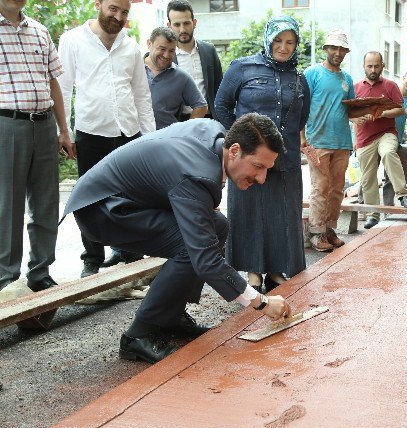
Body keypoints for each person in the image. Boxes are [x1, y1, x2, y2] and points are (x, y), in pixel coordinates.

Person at [61, 114, 292, 364]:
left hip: (129, 201)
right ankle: (139, 335)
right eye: (258, 166)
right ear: (234, 150)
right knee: (191, 246)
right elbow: (205, 259)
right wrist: (262, 302)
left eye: (267, 170)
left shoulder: (216, 137)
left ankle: (170, 316)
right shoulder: (197, 173)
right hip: (102, 210)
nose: (261, 179)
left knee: (218, 226)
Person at [58, 0, 156, 277]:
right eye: (113, 8)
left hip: (128, 132)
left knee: (131, 197)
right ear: (98, 4)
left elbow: (141, 95)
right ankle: (92, 258)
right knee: (88, 198)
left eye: (124, 12)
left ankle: (131, 254)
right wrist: (63, 132)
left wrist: (150, 138)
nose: (118, 16)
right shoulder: (72, 40)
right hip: (91, 132)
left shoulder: (132, 46)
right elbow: (63, 88)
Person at [215, 16, 310, 294]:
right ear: (268, 40)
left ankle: (277, 271)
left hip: (287, 158)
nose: (283, 47)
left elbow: (301, 117)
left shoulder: (299, 78)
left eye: (290, 42)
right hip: (249, 159)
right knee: (250, 212)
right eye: (278, 41)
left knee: (284, 214)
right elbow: (221, 105)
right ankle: (254, 272)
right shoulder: (242, 68)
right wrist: (240, 142)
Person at [0, 0, 75, 292]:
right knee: (9, 204)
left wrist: (64, 130)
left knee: (46, 202)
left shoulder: (40, 31)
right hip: (7, 125)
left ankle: (40, 271)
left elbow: (53, 82)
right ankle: (6, 276)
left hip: (44, 124)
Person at [300, 29, 354, 252]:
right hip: (317, 141)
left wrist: (368, 112)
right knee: (320, 188)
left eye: (342, 49)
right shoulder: (312, 73)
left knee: (337, 189)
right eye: (334, 47)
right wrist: (302, 139)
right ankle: (316, 232)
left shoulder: (347, 79)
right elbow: (301, 107)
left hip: (342, 142)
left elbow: (351, 110)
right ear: (326, 49)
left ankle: (330, 229)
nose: (338, 52)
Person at [350, 51, 407, 230]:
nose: (373, 69)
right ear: (364, 66)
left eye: (376, 66)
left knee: (388, 153)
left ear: (382, 66)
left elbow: (400, 110)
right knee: (368, 177)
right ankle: (372, 214)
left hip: (386, 133)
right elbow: (349, 113)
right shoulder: (355, 87)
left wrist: (382, 113)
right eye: (369, 66)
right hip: (364, 139)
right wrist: (355, 120)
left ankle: (403, 195)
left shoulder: (391, 85)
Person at [167, 0, 223, 121]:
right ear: (169, 26)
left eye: (186, 23)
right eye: (177, 25)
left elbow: (220, 88)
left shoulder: (209, 51)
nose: (182, 29)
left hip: (209, 119)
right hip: (179, 121)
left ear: (194, 23)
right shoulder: (167, 56)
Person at [144, 26, 207, 129]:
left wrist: (185, 131)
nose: (166, 55)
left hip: (165, 140)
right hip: (133, 138)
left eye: (171, 51)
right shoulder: (133, 70)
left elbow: (201, 106)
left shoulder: (181, 77)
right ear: (149, 44)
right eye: (162, 49)